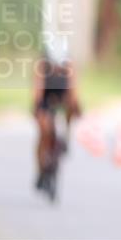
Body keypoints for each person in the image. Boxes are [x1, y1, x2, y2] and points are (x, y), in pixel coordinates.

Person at [32, 44, 81, 191]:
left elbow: (73, 91)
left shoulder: (69, 66)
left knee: (72, 110)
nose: (57, 69)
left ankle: (66, 135)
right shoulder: (41, 66)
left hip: (62, 96)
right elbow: (37, 91)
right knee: (44, 132)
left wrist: (76, 108)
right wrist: (38, 109)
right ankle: (40, 170)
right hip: (45, 98)